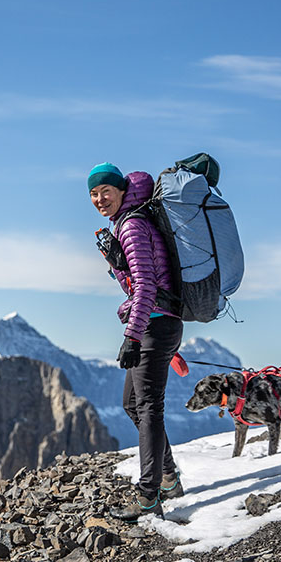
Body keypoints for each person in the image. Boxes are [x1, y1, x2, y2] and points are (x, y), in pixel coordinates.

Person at [88, 162, 185, 521]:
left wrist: (132, 337)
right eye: (94, 194)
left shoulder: (131, 225)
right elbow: (143, 280)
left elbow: (146, 286)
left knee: (148, 407)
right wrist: (118, 264)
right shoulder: (128, 223)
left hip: (153, 326)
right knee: (133, 404)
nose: (100, 199)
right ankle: (169, 478)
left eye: (105, 192)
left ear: (122, 191)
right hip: (157, 324)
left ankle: (149, 497)